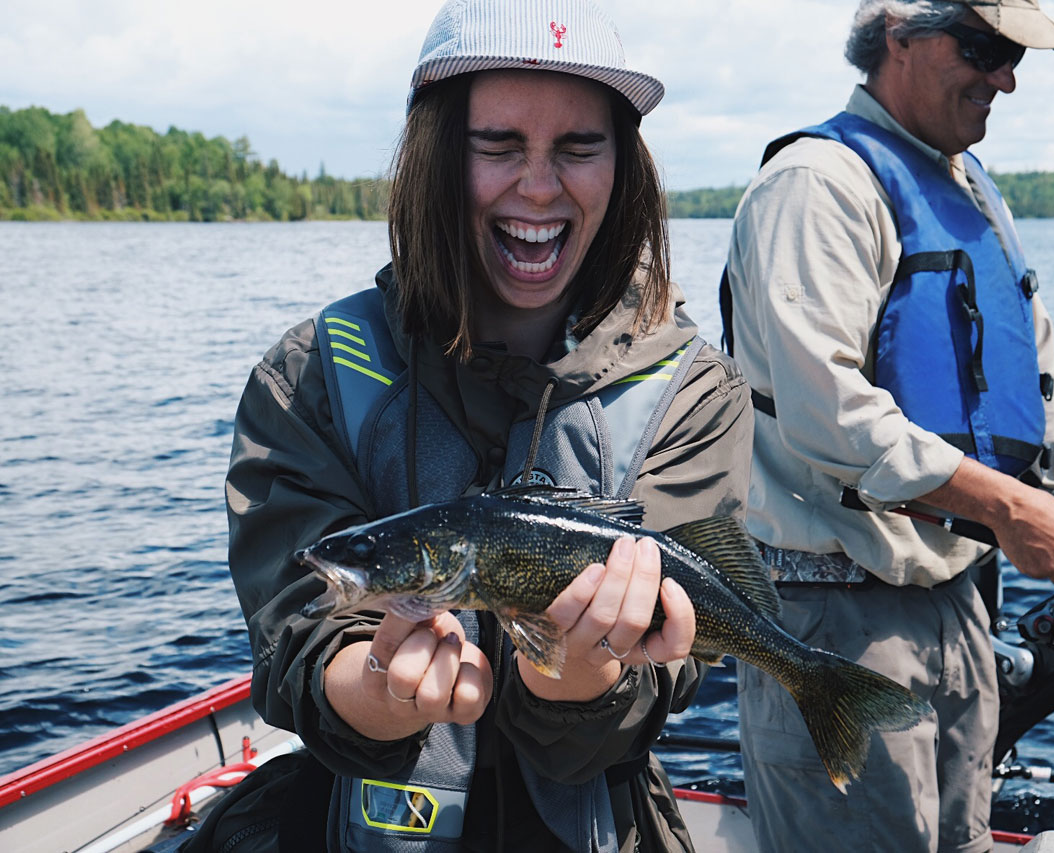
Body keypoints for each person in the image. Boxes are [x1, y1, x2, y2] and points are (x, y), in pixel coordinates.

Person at [201, 1, 752, 851]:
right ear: (433, 157)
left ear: (624, 166)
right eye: (497, 145)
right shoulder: (313, 373)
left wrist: (584, 678)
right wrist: (377, 687)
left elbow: (648, 694)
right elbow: (298, 634)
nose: (538, 186)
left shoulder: (693, 392)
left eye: (579, 146)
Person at [722, 1, 1054, 851]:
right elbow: (826, 409)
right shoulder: (816, 184)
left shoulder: (973, 189)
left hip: (960, 606)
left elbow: (1037, 395)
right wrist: (1011, 511)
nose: (1006, 77)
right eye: (984, 47)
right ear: (899, 36)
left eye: (1015, 55)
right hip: (833, 621)